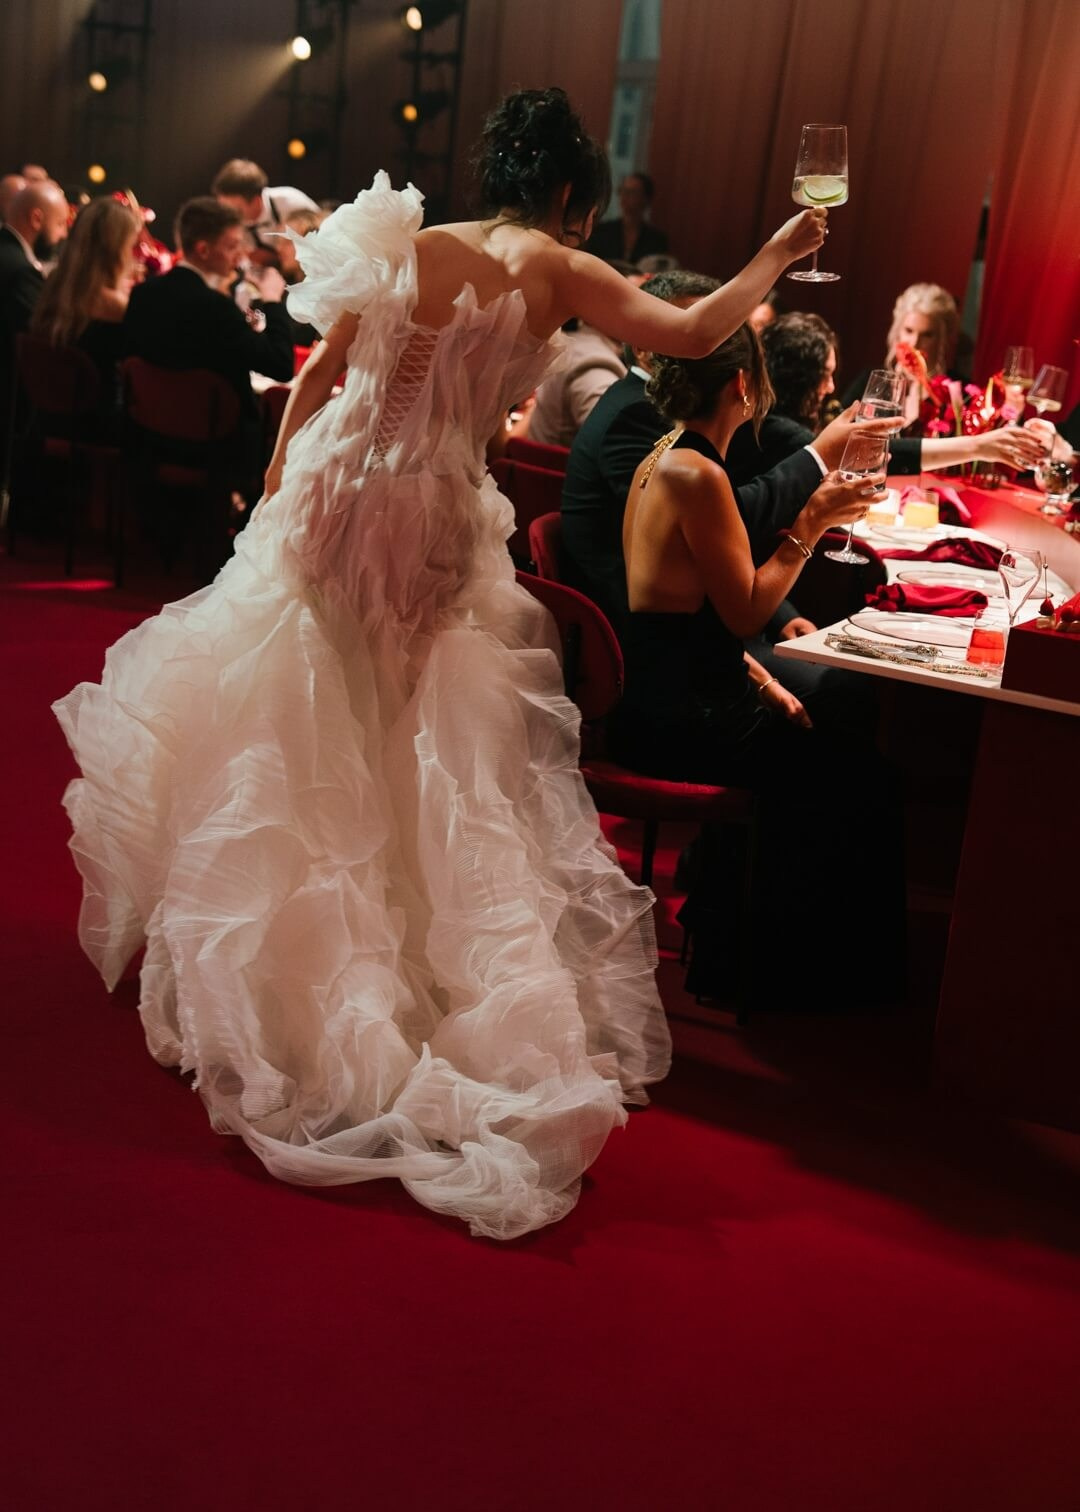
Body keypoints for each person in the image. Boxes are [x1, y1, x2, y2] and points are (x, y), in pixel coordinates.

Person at [54, 88, 827, 1241]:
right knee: (414, 739)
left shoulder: (412, 241)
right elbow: (698, 331)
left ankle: (276, 954)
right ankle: (395, 970)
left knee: (305, 718)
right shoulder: (555, 269)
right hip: (427, 524)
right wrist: (782, 247)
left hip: (336, 490)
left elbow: (320, 380)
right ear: (569, 193)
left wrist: (276, 488)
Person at [616, 324, 907, 1007]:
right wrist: (809, 526)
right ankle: (793, 975)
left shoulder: (663, 455)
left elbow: (684, 617)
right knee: (868, 779)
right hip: (687, 719)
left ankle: (748, 946)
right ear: (743, 386)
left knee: (834, 736)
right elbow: (746, 613)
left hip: (665, 696)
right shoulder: (699, 475)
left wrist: (766, 681)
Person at [30, 197, 140, 420]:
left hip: (46, 417)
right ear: (116, 250)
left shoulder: (53, 286)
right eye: (131, 245)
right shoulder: (116, 305)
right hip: (99, 423)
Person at [0, 180, 70, 484]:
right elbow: (41, 337)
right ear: (37, 219)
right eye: (59, 224)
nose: (63, 234)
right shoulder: (20, 271)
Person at [211, 158, 319, 269]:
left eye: (236, 210)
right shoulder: (226, 221)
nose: (229, 217)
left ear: (256, 201)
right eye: (224, 209)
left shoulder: (292, 202)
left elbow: (327, 241)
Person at [585, 171, 669, 264]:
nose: (624, 196)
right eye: (622, 191)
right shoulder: (602, 231)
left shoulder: (656, 239)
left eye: (632, 192)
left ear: (645, 198)